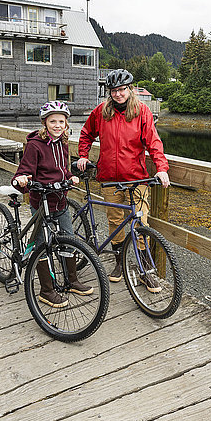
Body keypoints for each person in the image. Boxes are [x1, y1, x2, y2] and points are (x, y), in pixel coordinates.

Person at [77, 69, 170, 290]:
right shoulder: (101, 112)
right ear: (109, 93)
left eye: (122, 90)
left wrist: (162, 168)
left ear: (130, 89)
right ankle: (119, 263)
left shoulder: (142, 111)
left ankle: (145, 270)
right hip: (109, 178)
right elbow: (86, 133)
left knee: (140, 224)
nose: (118, 94)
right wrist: (83, 154)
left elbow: (154, 143)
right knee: (115, 223)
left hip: (136, 179)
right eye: (114, 91)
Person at [12, 100, 93, 307]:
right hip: (42, 201)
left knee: (68, 238)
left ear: (66, 124)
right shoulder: (35, 145)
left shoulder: (63, 143)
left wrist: (69, 176)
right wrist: (22, 179)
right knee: (41, 244)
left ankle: (72, 280)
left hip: (60, 200)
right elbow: (25, 170)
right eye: (53, 121)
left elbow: (61, 169)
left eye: (61, 121)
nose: (57, 125)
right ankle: (46, 290)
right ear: (45, 123)